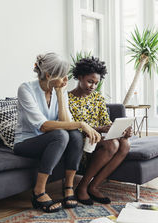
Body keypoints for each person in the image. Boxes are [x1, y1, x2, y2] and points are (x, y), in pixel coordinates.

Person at [14, 53, 101, 213]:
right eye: (63, 77)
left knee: (74, 134)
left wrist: (60, 96)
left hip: (51, 140)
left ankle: (68, 186)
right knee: (61, 134)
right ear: (48, 75)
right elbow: (43, 126)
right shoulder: (25, 89)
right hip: (26, 142)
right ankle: (38, 191)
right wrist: (82, 124)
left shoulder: (59, 90)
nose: (66, 81)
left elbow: (67, 123)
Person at [69, 57, 132, 205]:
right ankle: (82, 187)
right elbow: (70, 126)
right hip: (80, 142)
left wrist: (120, 130)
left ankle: (94, 186)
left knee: (125, 144)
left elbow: (105, 121)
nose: (93, 86)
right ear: (79, 77)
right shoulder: (67, 99)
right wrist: (98, 129)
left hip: (99, 140)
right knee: (112, 145)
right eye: (90, 81)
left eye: (96, 83)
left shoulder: (97, 97)